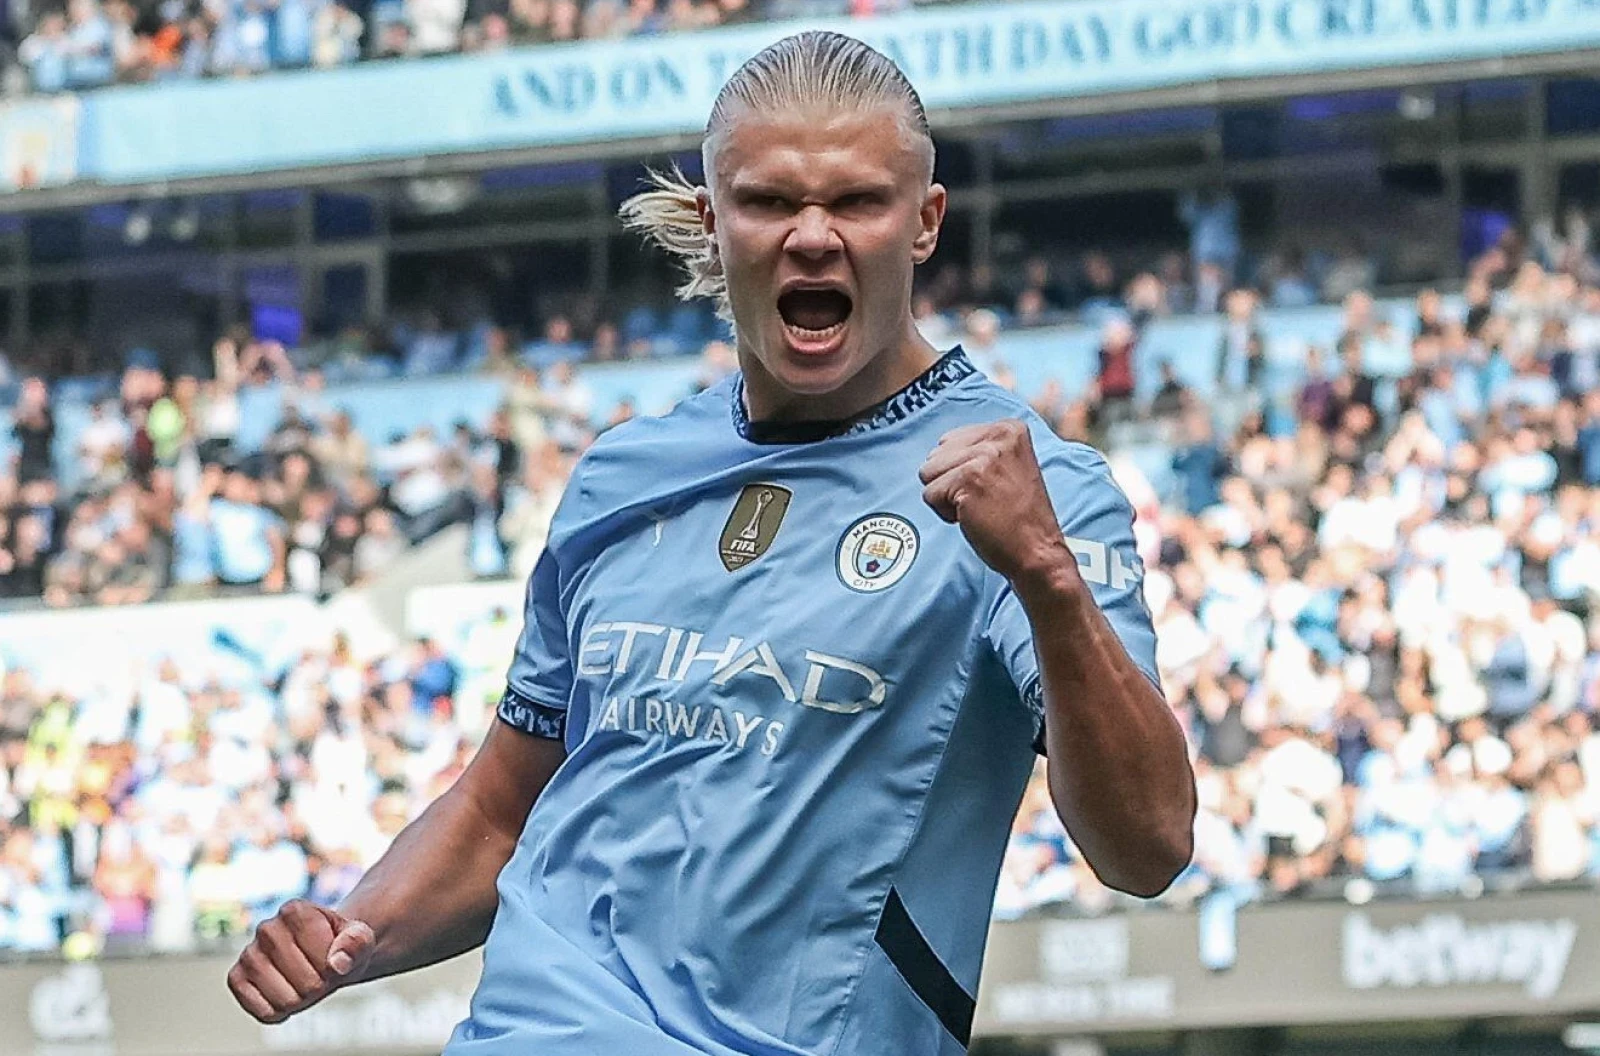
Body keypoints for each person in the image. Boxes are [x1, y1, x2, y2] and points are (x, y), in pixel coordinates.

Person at [226, 32, 1195, 1056]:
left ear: (924, 221)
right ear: (711, 220)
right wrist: (351, 933)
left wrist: (1046, 577)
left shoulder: (1032, 491)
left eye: (857, 201)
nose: (811, 236)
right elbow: (500, 810)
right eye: (769, 201)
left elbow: (1148, 848)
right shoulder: (621, 475)